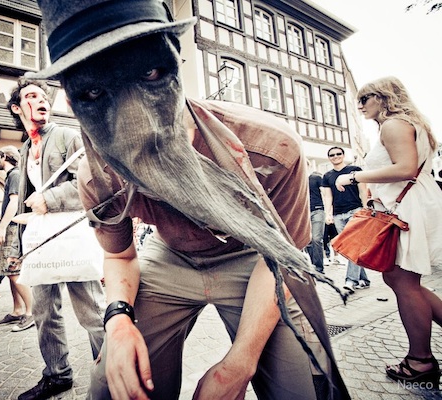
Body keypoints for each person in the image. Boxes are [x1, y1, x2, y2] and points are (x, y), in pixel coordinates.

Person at [30, 1, 350, 399]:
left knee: (303, 387)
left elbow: (283, 260)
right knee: (111, 388)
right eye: (94, 91)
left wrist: (239, 362)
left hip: (257, 259)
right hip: (170, 257)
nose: (137, 122)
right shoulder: (98, 175)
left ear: (176, 58)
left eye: (149, 72)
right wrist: (117, 320)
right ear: (70, 98)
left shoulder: (271, 150)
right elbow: (120, 257)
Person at [335, 76, 442, 388]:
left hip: (406, 209)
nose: (360, 105)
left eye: (365, 98)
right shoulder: (410, 124)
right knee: (402, 279)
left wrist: (356, 176)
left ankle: (420, 361)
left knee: (404, 281)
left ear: (383, 98)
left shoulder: (393, 124)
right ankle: (420, 358)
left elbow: (405, 167)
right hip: (413, 205)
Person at [6, 78, 106, 399]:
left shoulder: (66, 135)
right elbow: (28, 197)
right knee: (43, 313)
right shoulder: (24, 148)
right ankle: (57, 374)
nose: (40, 99)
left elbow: (92, 182)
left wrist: (51, 199)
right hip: (40, 239)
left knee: (92, 312)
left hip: (71, 236)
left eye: (42, 95)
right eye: (31, 96)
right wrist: (20, 243)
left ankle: (111, 373)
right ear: (17, 108)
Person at [0, 145, 35, 331]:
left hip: (13, 228)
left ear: (4, 156)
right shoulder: (12, 175)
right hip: (11, 228)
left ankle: (31, 313)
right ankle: (17, 311)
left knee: (13, 270)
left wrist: (1, 228)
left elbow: (14, 203)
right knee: (9, 272)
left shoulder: (14, 174)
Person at [321, 147, 369, 293]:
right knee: (350, 248)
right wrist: (328, 214)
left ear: (343, 155)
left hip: (355, 211)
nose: (335, 156)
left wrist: (366, 208)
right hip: (338, 215)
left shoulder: (355, 169)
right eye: (332, 155)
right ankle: (364, 279)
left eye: (338, 154)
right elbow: (328, 196)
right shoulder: (327, 176)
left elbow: (363, 190)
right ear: (329, 158)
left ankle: (351, 280)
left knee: (354, 246)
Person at [307, 170, 325, 273]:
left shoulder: (316, 178)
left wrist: (327, 211)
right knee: (308, 241)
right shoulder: (297, 181)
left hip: (318, 210)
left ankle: (318, 268)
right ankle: (312, 266)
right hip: (304, 212)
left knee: (316, 239)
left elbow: (325, 193)